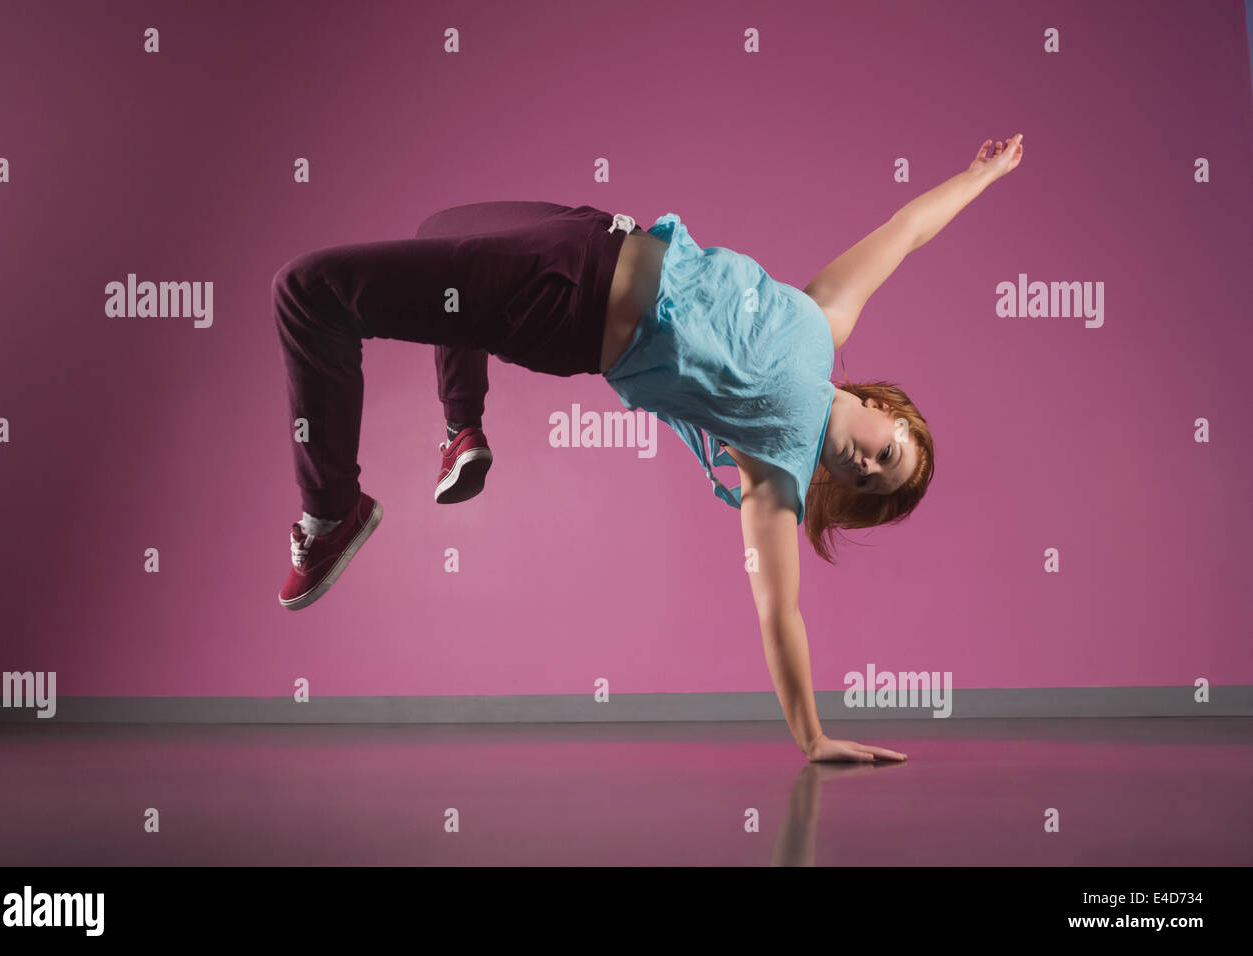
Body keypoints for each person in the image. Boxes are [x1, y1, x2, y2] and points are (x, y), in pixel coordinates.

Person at [270, 134, 1025, 763]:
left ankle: (333, 511)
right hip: (592, 233)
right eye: (887, 456)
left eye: (870, 487)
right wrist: (981, 174)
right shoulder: (824, 320)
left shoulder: (772, 474)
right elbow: (907, 229)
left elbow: (780, 613)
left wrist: (812, 736)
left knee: (307, 290)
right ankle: (461, 427)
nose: (866, 470)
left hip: (559, 306)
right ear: (880, 406)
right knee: (438, 229)